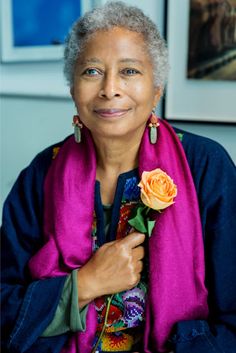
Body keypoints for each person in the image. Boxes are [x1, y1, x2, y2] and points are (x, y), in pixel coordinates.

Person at [1, 2, 236, 353]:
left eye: (129, 71)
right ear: (73, 90)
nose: (110, 89)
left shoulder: (205, 167)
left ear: (156, 89)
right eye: (92, 71)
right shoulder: (41, 175)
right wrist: (86, 284)